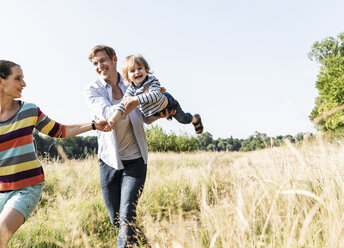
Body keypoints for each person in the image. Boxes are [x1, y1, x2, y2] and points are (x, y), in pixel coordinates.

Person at [0, 60, 111, 247]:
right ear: (1, 81)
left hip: (27, 187)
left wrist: (92, 125)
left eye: (23, 79)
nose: (24, 84)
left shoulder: (28, 110)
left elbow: (59, 131)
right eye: (17, 79)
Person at [84, 45, 174, 247]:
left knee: (126, 216)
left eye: (103, 60)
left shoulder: (133, 83)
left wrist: (161, 112)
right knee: (118, 220)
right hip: (109, 161)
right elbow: (107, 116)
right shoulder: (92, 90)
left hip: (135, 160)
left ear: (114, 59)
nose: (100, 66)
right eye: (95, 64)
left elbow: (145, 117)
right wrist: (136, 100)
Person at [109, 54, 204, 134]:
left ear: (146, 69)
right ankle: (168, 115)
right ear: (127, 76)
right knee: (163, 115)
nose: (137, 72)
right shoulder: (131, 89)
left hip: (168, 103)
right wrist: (113, 119)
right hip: (155, 111)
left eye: (140, 68)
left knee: (183, 119)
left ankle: (195, 119)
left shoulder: (152, 81)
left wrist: (135, 99)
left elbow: (155, 95)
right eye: (132, 71)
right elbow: (123, 104)